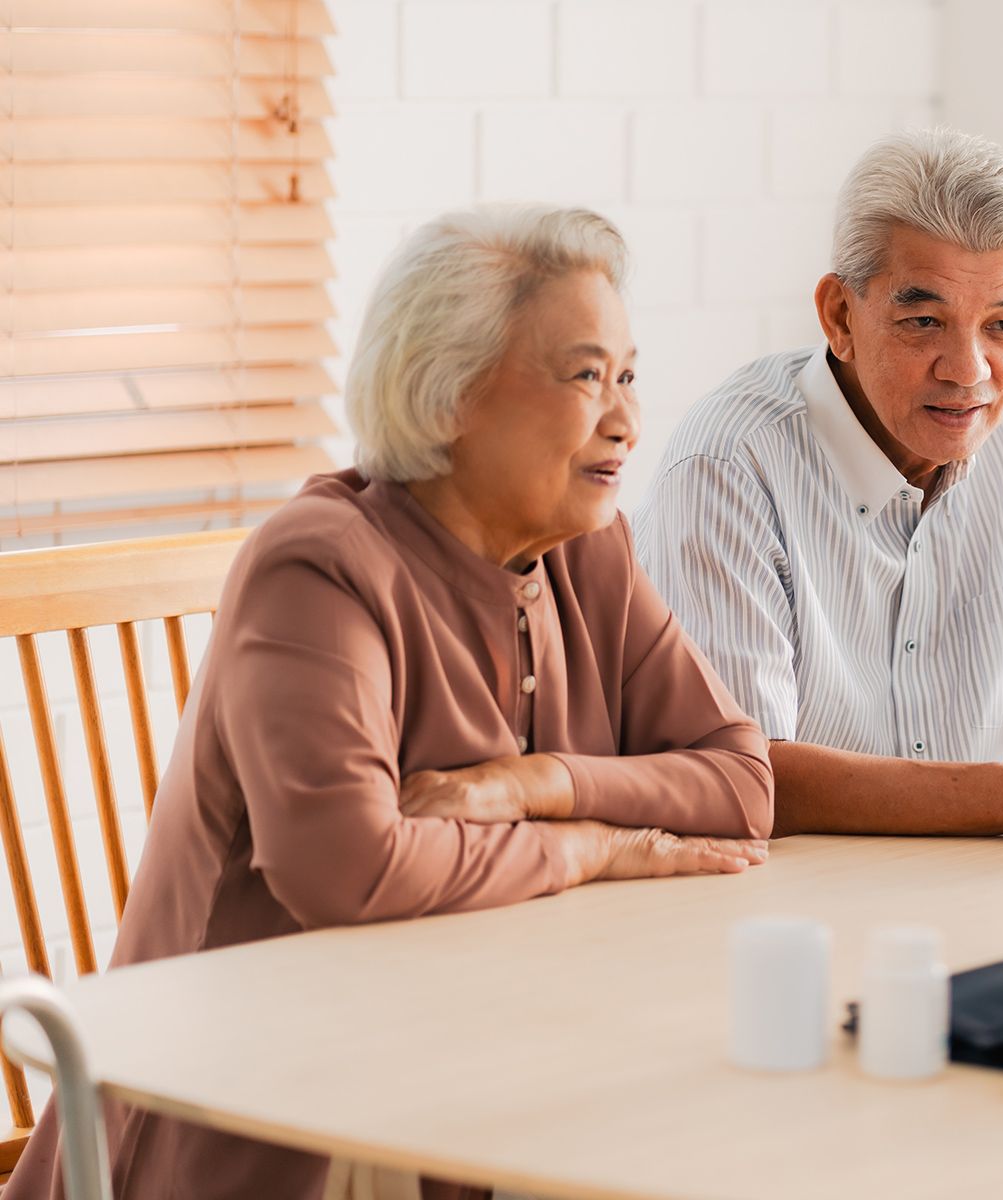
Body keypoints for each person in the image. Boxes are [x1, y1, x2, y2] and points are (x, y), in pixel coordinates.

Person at [4, 205, 774, 1200]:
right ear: (446, 392)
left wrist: (538, 785)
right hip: (248, 1133)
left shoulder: (590, 548)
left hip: (476, 1099)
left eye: (628, 375)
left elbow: (740, 781)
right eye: (586, 376)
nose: (625, 419)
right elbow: (348, 869)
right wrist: (594, 846)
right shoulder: (319, 567)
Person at [635, 129, 1003, 837]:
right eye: (924, 321)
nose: (968, 370)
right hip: (779, 894)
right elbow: (746, 776)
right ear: (840, 315)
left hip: (965, 885)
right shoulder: (728, 467)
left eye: (1001, 326)